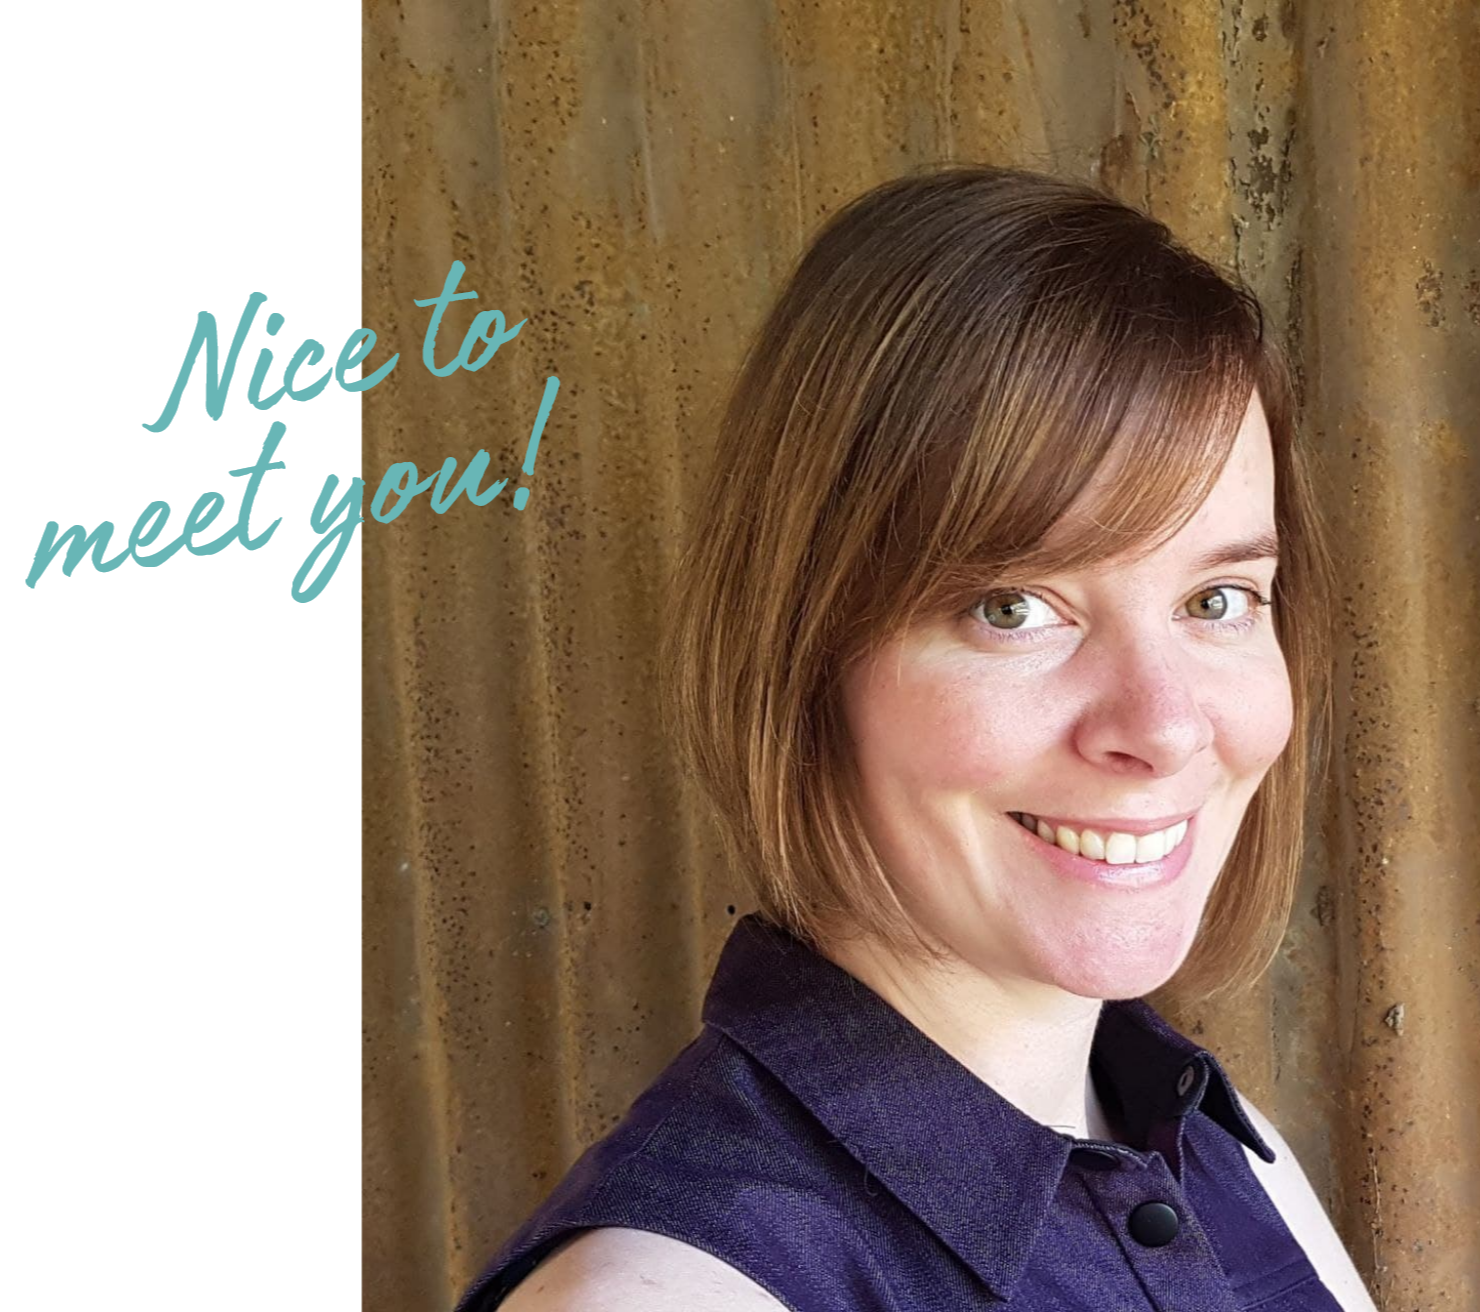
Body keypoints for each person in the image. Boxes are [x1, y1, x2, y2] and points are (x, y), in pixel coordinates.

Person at [452, 164, 1377, 1312]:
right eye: (1013, 607)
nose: (1164, 723)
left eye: (1217, 599)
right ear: (806, 657)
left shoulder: (1225, 1157)